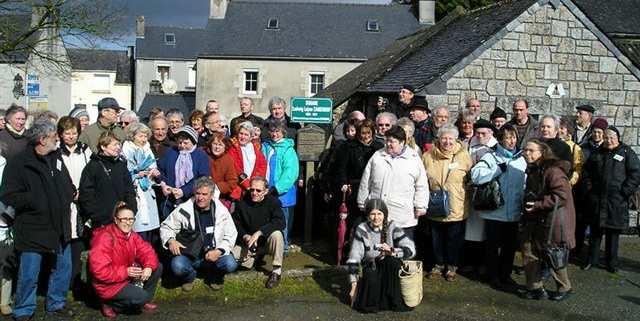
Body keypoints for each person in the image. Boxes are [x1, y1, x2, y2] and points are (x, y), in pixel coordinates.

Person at [1, 121, 76, 320]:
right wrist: (36, 200)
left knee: (62, 268)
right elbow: (8, 194)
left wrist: (68, 194)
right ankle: (24, 309)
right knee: (29, 272)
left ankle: (56, 303)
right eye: (54, 137)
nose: (57, 139)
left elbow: (66, 184)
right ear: (42, 140)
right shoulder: (19, 163)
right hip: (33, 225)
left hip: (59, 223)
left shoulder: (55, 157)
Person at [469, 124, 526, 290]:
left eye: (513, 137)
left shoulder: (521, 159)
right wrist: (497, 170)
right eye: (507, 137)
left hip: (514, 212)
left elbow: (524, 184)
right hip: (495, 213)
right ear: (500, 139)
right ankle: (492, 275)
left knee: (509, 248)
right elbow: (476, 176)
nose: (511, 141)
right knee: (492, 247)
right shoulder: (491, 157)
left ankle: (505, 275)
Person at [520, 139, 575, 301]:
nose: (526, 153)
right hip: (535, 218)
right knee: (529, 250)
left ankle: (565, 287)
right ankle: (535, 288)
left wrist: (538, 204)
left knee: (552, 254)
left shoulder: (553, 171)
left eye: (531, 151)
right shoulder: (534, 168)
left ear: (542, 152)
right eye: (525, 150)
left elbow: (561, 196)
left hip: (552, 220)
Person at [160, 177, 238, 291]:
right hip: (190, 255)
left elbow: (231, 234)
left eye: (204, 194)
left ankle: (215, 276)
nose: (200, 197)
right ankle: (189, 277)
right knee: (177, 265)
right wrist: (171, 240)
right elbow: (166, 226)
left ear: (211, 195)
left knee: (230, 263)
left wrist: (219, 251)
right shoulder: (184, 209)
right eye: (198, 193)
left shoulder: (222, 211)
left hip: (213, 256)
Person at [581, 126, 640, 273]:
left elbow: (636, 173)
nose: (609, 140)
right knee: (595, 232)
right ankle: (591, 260)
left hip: (616, 200)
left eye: (612, 137)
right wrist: (590, 189)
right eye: (606, 137)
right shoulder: (597, 152)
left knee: (613, 233)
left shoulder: (626, 152)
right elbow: (586, 171)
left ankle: (611, 263)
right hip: (597, 199)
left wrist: (625, 191)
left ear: (618, 138)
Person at [89, 202, 162, 318]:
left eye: (131, 219)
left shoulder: (131, 235)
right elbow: (99, 271)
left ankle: (143, 301)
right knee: (140, 297)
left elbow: (147, 251)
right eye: (124, 219)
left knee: (157, 266)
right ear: (116, 220)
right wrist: (125, 272)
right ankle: (109, 303)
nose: (128, 222)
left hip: (125, 277)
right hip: (109, 285)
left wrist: (148, 266)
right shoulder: (104, 238)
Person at [358, 125, 428, 240]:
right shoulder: (377, 156)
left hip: (402, 214)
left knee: (401, 249)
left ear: (402, 142)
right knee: (376, 249)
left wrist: (420, 206)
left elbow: (422, 185)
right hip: (377, 211)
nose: (388, 144)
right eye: (387, 141)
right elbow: (366, 180)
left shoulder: (413, 159)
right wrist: (362, 201)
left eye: (392, 142)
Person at [346, 199, 415, 313]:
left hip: (388, 266)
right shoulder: (362, 229)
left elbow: (410, 249)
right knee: (370, 278)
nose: (376, 218)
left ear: (384, 215)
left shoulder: (392, 226)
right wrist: (353, 285)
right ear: (368, 215)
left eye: (379, 214)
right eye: (373, 214)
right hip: (371, 265)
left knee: (392, 262)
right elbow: (354, 257)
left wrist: (392, 251)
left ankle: (393, 301)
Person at [422, 124, 472, 281]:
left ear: (456, 139)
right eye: (444, 138)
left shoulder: (463, 155)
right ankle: (438, 264)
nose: (447, 142)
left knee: (454, 238)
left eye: (451, 138)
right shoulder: (428, 156)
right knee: (436, 238)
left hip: (456, 203)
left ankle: (452, 266)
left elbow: (471, 178)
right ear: (438, 138)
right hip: (436, 203)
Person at [57, 116, 92, 297]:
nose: (70, 137)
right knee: (65, 241)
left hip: (82, 200)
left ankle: (77, 283)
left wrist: (83, 192)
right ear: (61, 134)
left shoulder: (85, 150)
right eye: (67, 133)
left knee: (80, 240)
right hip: (64, 200)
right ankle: (62, 284)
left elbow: (89, 172)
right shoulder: (56, 152)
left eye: (74, 133)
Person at [232, 177, 286, 289]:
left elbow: (280, 222)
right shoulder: (242, 203)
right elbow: (235, 224)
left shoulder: (273, 202)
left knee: (277, 235)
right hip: (248, 243)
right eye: (252, 190)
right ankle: (254, 259)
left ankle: (276, 271)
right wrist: (245, 236)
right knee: (230, 259)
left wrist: (260, 232)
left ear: (266, 191)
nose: (254, 193)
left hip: (266, 241)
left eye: (258, 190)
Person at [79, 132, 138, 229]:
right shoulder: (93, 166)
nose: (118, 147)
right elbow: (86, 195)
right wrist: (98, 216)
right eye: (114, 144)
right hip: (102, 222)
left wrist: (131, 210)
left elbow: (129, 190)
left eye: (119, 144)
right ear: (103, 146)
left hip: (123, 219)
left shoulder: (121, 165)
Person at [462, 119, 498, 275]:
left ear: (491, 133)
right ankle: (470, 262)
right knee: (471, 230)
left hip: (488, 193)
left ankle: (484, 264)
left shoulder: (496, 147)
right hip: (471, 192)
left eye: (484, 133)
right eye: (478, 133)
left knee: (486, 231)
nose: (480, 136)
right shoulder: (470, 143)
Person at [157, 126, 211, 219]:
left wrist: (184, 191)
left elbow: (202, 178)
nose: (182, 145)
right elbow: (161, 170)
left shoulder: (200, 155)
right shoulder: (171, 152)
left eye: (186, 143)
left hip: (192, 198)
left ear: (193, 142)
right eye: (179, 142)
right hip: (170, 197)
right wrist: (164, 185)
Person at [262, 119, 300, 251]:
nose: (274, 134)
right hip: (266, 192)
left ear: (283, 132)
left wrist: (277, 188)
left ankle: (283, 248)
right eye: (272, 131)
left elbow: (290, 173)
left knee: (283, 221)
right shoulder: (265, 146)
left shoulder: (288, 150)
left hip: (283, 194)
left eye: (277, 131)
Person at [122, 123, 162, 242]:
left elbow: (152, 165)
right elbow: (124, 173)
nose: (143, 139)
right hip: (134, 191)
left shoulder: (147, 149)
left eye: (145, 136)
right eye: (140, 136)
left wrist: (153, 172)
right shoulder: (126, 150)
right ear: (133, 136)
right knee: (137, 227)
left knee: (149, 229)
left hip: (147, 189)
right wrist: (136, 174)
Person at [205, 132, 242, 208]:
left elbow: (232, 181)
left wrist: (216, 186)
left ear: (225, 147)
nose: (217, 147)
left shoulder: (228, 160)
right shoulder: (204, 155)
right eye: (215, 144)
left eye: (220, 145)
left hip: (220, 196)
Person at [227, 121, 267, 192]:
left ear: (251, 137)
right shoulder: (232, 148)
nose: (243, 137)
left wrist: (255, 183)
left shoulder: (256, 149)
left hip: (253, 188)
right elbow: (236, 169)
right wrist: (247, 184)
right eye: (241, 133)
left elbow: (262, 166)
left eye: (246, 134)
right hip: (238, 188)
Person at [558, 117, 584, 186]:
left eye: (562, 128)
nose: (558, 131)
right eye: (557, 128)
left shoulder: (575, 148)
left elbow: (578, 168)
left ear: (568, 130)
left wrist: (570, 182)